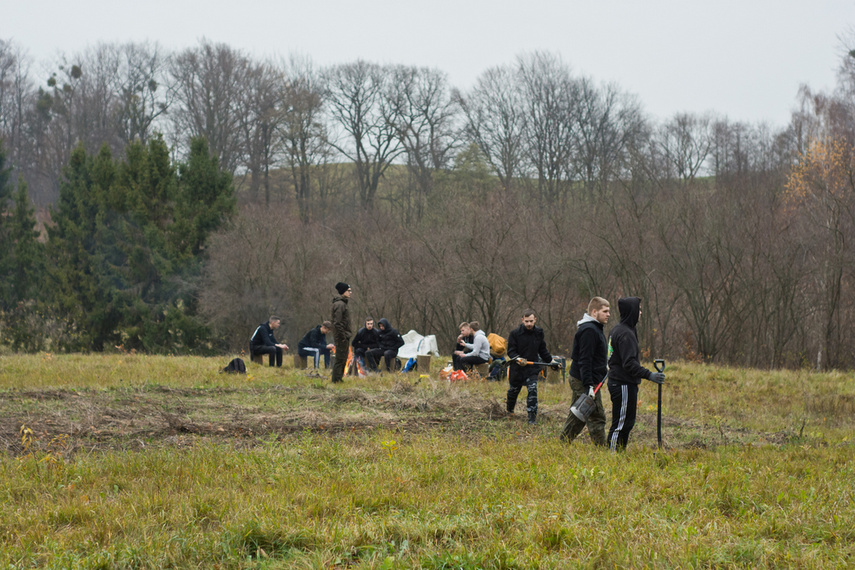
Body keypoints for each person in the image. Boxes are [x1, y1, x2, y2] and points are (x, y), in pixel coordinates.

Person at [607, 296, 665, 451]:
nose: (640, 313)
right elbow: (629, 364)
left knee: (627, 422)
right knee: (620, 424)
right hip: (622, 383)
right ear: (631, 311)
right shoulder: (625, 334)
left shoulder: (622, 330)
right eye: (638, 310)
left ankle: (619, 453)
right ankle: (611, 456)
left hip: (624, 383)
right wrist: (649, 375)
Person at [560, 297, 610, 446]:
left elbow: (594, 356)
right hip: (584, 379)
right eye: (605, 311)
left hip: (589, 378)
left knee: (578, 413)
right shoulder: (589, 330)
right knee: (595, 415)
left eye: (609, 311)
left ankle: (563, 442)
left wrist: (604, 366)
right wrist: (588, 385)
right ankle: (602, 450)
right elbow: (584, 359)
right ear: (594, 312)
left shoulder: (595, 328)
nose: (608, 314)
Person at [506, 309, 553, 424]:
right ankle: (510, 411)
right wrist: (517, 358)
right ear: (522, 320)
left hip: (532, 368)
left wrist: (551, 361)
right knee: (513, 391)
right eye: (526, 321)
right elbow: (511, 351)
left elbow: (542, 350)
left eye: (531, 321)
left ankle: (532, 418)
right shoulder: (514, 334)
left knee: (533, 391)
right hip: (517, 369)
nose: (529, 324)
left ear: (535, 320)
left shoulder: (539, 333)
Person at [331, 282, 352, 383]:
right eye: (348, 290)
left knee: (343, 358)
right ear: (343, 291)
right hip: (341, 336)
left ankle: (339, 378)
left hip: (344, 336)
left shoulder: (342, 303)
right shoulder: (340, 305)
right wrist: (343, 336)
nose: (350, 292)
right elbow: (337, 323)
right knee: (340, 359)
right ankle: (336, 380)